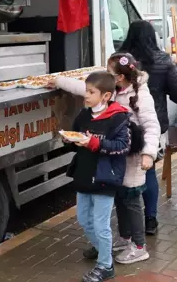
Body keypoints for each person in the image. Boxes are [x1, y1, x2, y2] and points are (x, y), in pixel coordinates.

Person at [51, 54, 160, 265]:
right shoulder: (110, 92)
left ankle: (139, 246)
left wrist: (148, 153)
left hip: (133, 158)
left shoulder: (141, 96)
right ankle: (124, 238)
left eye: (108, 72)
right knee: (119, 197)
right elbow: (84, 88)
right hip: (113, 159)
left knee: (131, 201)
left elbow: (152, 127)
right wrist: (57, 81)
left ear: (118, 78)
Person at [118, 20, 177, 234]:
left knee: (123, 172)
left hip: (122, 123)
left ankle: (127, 222)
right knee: (148, 171)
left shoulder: (119, 59)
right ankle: (150, 219)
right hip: (152, 124)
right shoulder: (162, 60)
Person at [63, 71, 131, 282]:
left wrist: (94, 143)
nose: (86, 96)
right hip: (84, 173)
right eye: (86, 91)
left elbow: (123, 147)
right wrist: (70, 140)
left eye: (91, 92)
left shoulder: (118, 118)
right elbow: (76, 136)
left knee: (101, 224)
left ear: (106, 96)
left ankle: (105, 265)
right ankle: (102, 248)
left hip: (105, 177)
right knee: (84, 219)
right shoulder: (84, 115)